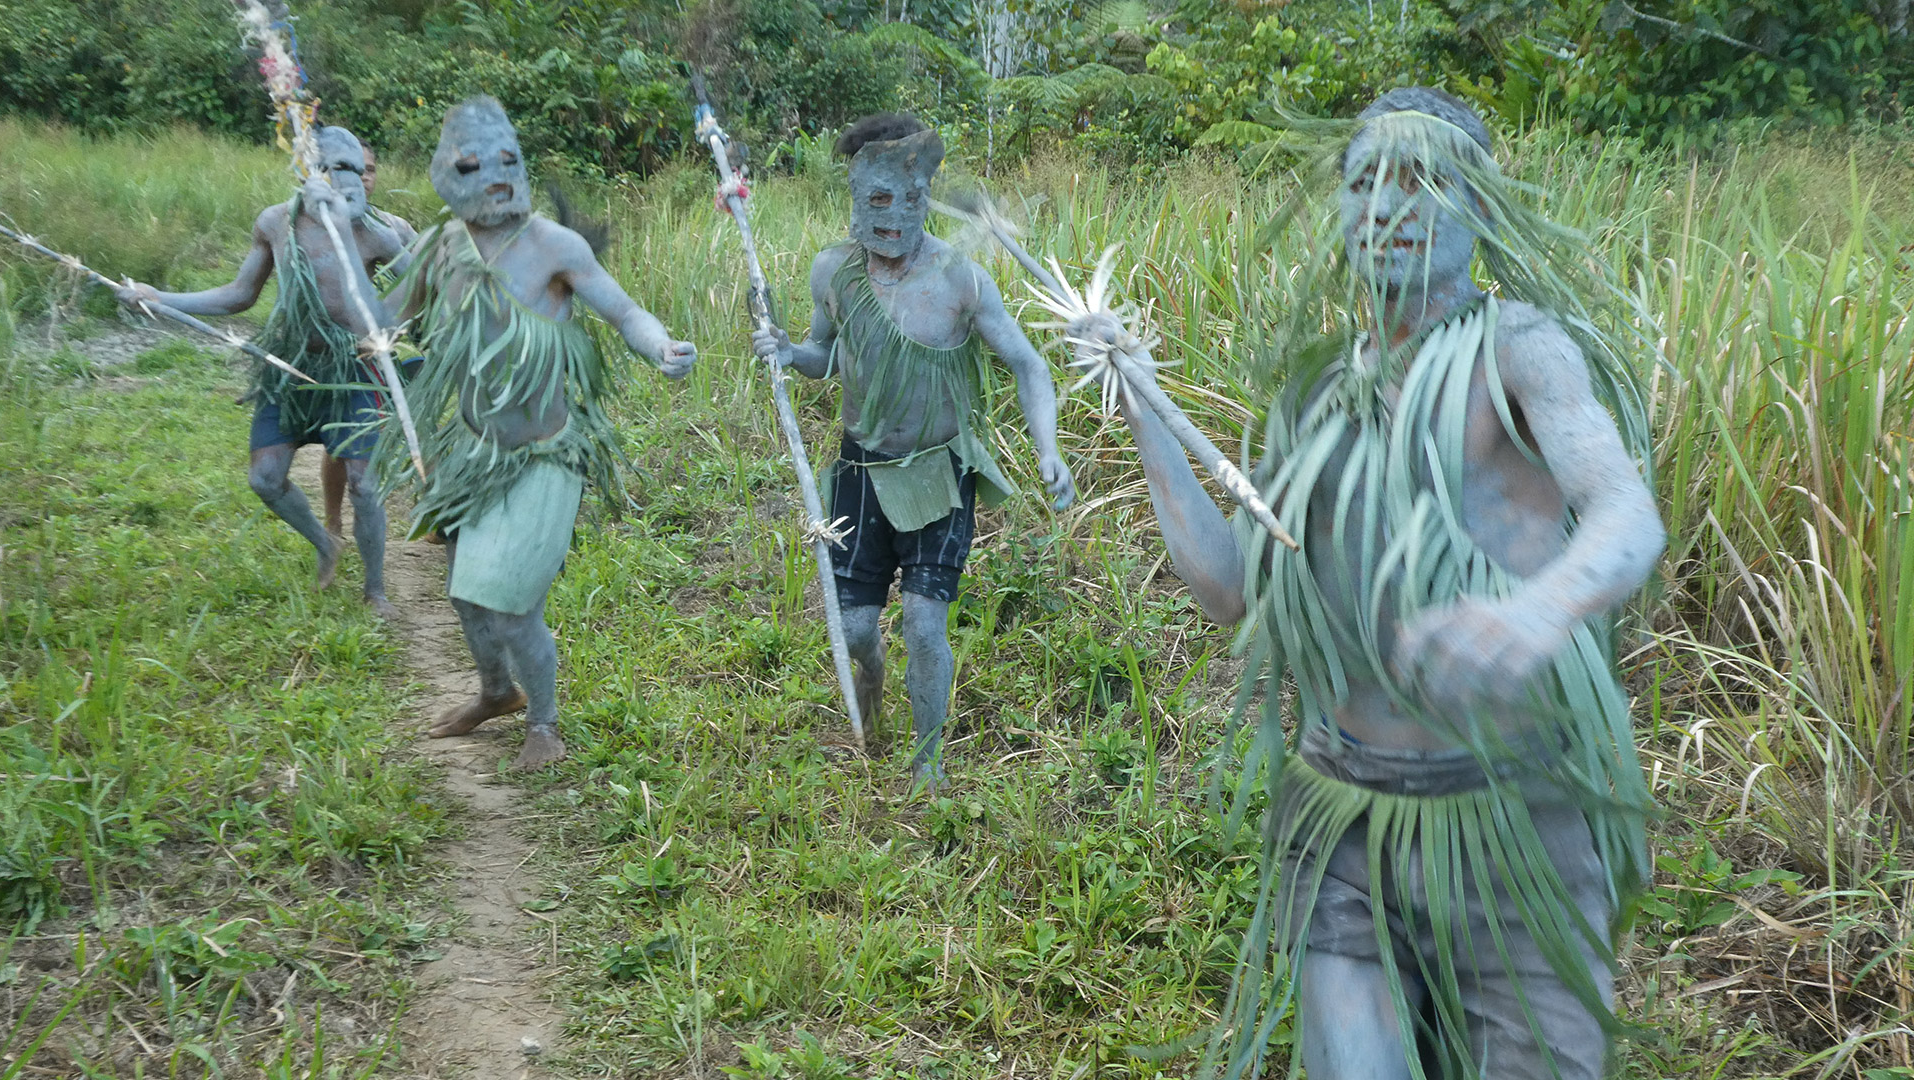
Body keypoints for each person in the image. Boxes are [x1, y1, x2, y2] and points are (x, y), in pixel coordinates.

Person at [1101, 88, 1663, 1078]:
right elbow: (1234, 591)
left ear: (1480, 208)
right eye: (1363, 182)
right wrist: (1144, 409)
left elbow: (1625, 512)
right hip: (1345, 826)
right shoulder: (1317, 397)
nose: (1386, 208)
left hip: (1514, 824)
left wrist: (1539, 609)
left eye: (1422, 182)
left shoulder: (1520, 352)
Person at [752, 113, 1076, 791]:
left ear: (926, 196)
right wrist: (788, 352)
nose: (895, 216)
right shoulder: (834, 272)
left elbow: (1028, 365)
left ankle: (927, 761)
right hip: (861, 473)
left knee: (925, 627)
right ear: (854, 199)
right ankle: (870, 678)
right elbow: (823, 357)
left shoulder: (959, 279)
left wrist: (1048, 449)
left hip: (937, 476)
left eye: (911, 199)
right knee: (856, 629)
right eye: (878, 200)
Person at [382, 96, 697, 772]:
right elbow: (383, 321)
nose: (498, 177)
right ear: (447, 175)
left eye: (509, 161)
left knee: (515, 605)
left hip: (545, 455)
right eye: (475, 165)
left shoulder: (555, 246)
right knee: (467, 593)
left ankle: (545, 725)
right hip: (471, 452)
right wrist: (359, 317)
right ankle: (497, 693)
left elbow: (624, 311)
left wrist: (660, 346)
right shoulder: (440, 250)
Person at [118, 126, 406, 618]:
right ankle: (325, 543)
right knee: (265, 479)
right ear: (308, 170)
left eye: (356, 170)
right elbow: (239, 294)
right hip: (290, 366)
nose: (348, 179)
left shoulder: (382, 228)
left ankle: (375, 590)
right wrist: (159, 299)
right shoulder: (277, 222)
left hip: (356, 371)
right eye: (335, 168)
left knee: (365, 484)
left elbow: (424, 288)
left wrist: (377, 238)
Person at [322, 140, 419, 543]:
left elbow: (422, 282)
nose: (363, 176)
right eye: (353, 168)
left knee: (419, 425)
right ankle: (333, 520)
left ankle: (431, 516)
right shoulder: (318, 224)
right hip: (344, 353)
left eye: (371, 169)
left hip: (395, 346)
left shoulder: (395, 228)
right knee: (340, 440)